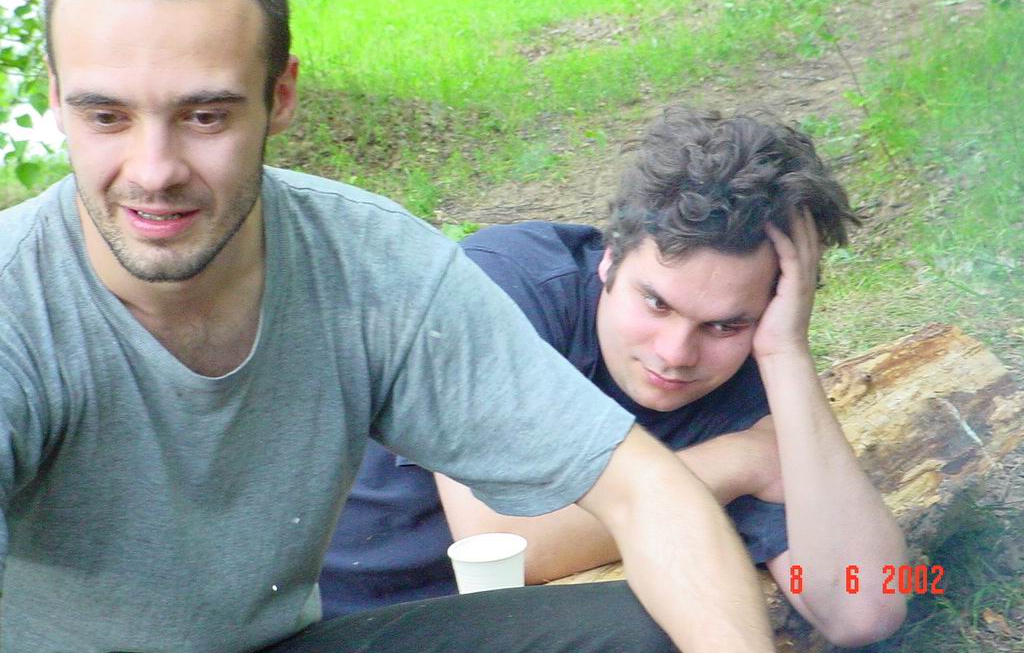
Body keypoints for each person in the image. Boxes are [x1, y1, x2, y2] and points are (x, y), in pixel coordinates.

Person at [0, 0, 792, 653]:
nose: (154, 169)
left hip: (289, 643)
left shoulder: (371, 265)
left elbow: (647, 494)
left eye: (205, 116)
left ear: (281, 96)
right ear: (57, 98)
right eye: (106, 116)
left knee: (652, 634)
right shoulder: (15, 304)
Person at [323, 108, 910, 646]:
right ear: (611, 256)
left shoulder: (753, 380)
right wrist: (742, 463)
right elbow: (503, 540)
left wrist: (787, 357)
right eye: (656, 303)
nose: (676, 354)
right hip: (332, 616)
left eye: (724, 325)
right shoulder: (510, 286)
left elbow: (862, 607)